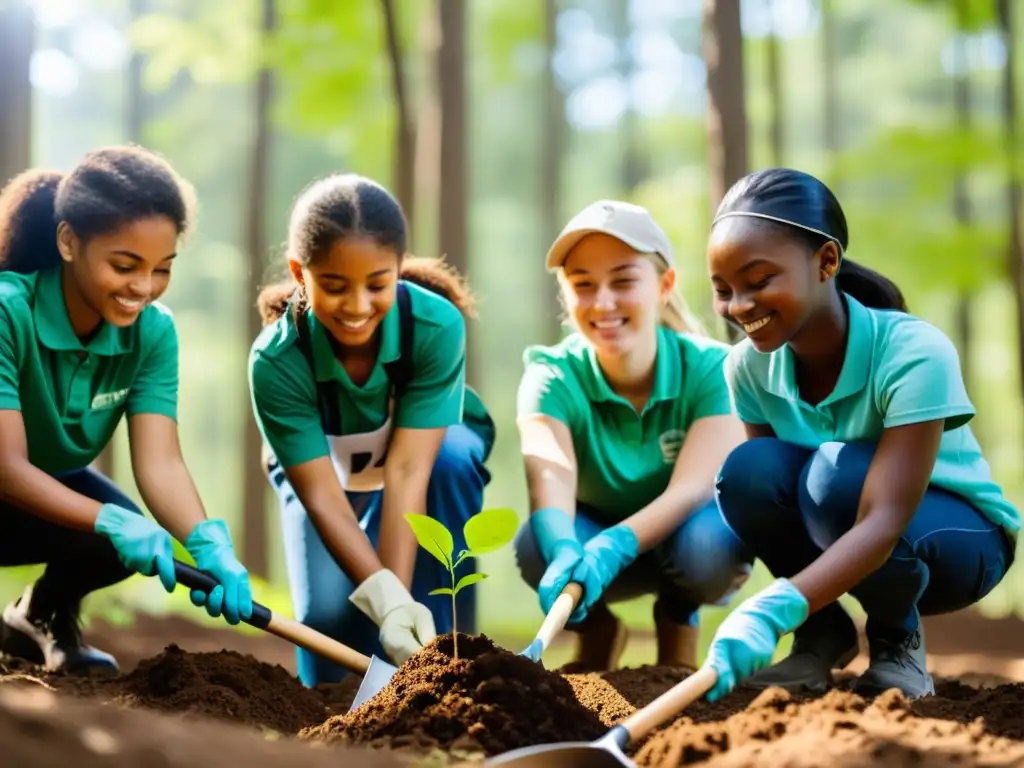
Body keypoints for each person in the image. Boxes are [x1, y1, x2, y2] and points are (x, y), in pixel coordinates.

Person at [703, 168, 1019, 702]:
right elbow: (770, 496)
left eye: (759, 281)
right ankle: (822, 635)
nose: (739, 306)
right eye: (723, 290)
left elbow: (884, 515)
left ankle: (898, 640)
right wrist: (800, 606)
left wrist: (775, 606)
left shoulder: (913, 351)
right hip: (845, 523)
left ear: (826, 261)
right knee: (746, 473)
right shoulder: (748, 369)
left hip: (959, 543)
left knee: (833, 478)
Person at [0, 146, 254, 676]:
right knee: (112, 524)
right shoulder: (7, 312)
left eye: (162, 269)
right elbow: (6, 467)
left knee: (115, 540)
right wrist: (106, 518)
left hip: (37, 485)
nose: (143, 287)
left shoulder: (153, 333)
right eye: (124, 265)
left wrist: (206, 542)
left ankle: (40, 616)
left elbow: (160, 463)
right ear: (69, 241)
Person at [250, 172, 495, 686]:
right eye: (335, 286)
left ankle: (452, 668)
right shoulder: (276, 362)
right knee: (330, 622)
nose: (358, 307)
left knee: (448, 463)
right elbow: (319, 496)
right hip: (327, 477)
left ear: (399, 269)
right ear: (301, 273)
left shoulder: (435, 327)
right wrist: (382, 601)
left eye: (377, 285)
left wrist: (400, 603)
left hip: (421, 460)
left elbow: (409, 470)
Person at [513, 200, 754, 671]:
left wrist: (616, 546)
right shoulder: (551, 376)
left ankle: (678, 617)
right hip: (594, 531)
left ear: (664, 286)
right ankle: (599, 630)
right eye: (583, 285)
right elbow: (551, 478)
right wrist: (565, 547)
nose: (603, 303)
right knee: (533, 547)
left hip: (683, 539)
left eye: (623, 281)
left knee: (709, 548)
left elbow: (692, 489)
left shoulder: (713, 369)